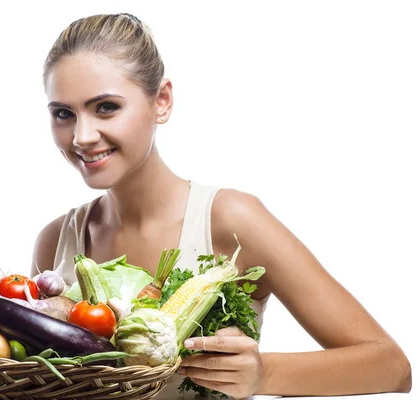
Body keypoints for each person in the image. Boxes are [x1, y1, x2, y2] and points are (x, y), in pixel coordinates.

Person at [30, 13, 411, 398]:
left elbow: (391, 366)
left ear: (161, 101)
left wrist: (266, 374)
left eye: (106, 107)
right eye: (63, 114)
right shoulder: (56, 241)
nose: (82, 136)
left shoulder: (231, 219)